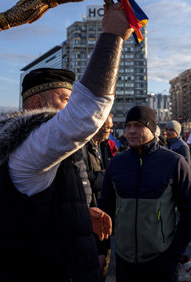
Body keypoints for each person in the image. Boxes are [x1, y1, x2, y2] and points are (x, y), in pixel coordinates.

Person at [0, 3, 130, 282]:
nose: (70, 107)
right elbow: (85, 117)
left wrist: (83, 212)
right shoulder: (26, 144)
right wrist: (113, 35)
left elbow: (44, 206)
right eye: (65, 100)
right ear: (37, 103)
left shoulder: (36, 144)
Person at [99, 105, 191, 282]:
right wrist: (102, 250)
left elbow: (190, 211)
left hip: (161, 261)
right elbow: (104, 209)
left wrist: (175, 254)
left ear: (152, 128)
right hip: (124, 260)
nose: (130, 131)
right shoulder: (116, 164)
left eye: (137, 125)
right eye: (128, 125)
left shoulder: (174, 162)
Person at [82, 113, 115, 280]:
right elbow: (85, 178)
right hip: (89, 209)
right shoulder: (83, 147)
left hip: (104, 207)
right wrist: (108, 176)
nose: (109, 131)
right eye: (106, 127)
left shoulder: (105, 145)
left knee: (104, 260)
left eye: (110, 127)